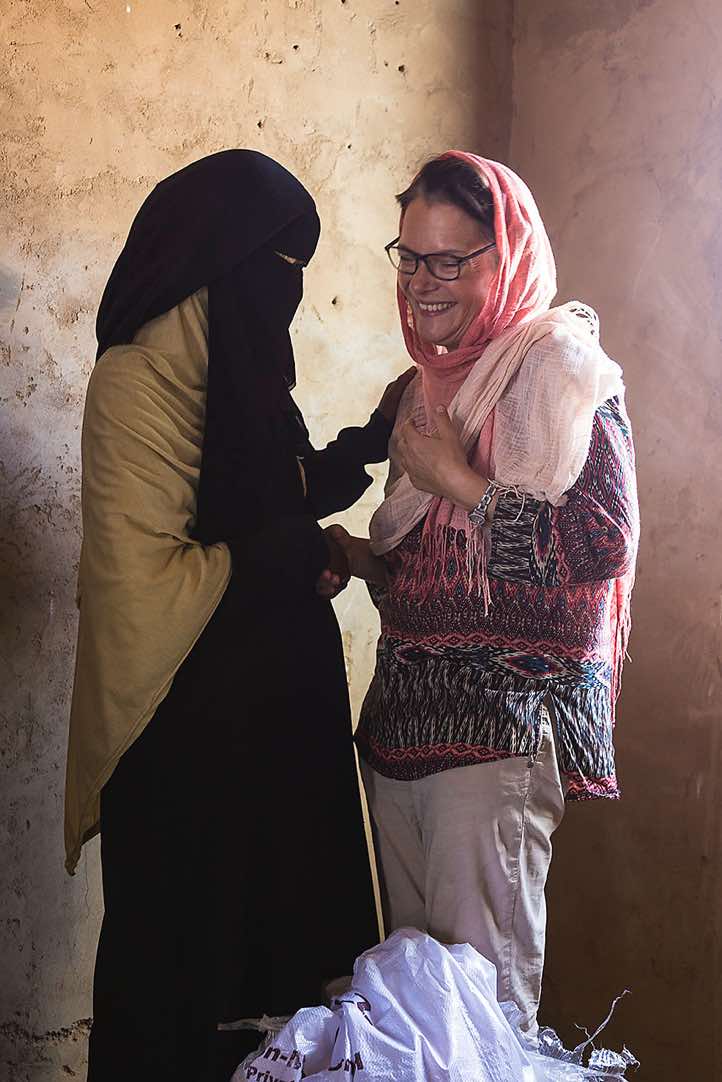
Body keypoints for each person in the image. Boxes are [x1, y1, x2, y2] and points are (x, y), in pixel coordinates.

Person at [64, 149, 413, 1082]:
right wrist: (306, 553)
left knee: (289, 976)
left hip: (282, 732)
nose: (286, 293)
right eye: (276, 267)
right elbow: (146, 580)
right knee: (190, 975)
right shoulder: (136, 387)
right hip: (186, 740)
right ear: (215, 265)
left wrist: (373, 443)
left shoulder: (250, 387)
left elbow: (278, 492)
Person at [330, 151, 639, 1035]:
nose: (424, 284)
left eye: (452, 260)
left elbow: (598, 542)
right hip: (401, 732)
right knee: (412, 1015)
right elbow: (439, 580)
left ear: (507, 257)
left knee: (483, 1021)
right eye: (411, 257)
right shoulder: (426, 388)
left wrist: (456, 480)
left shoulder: (561, 373)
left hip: (497, 739)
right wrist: (359, 556)